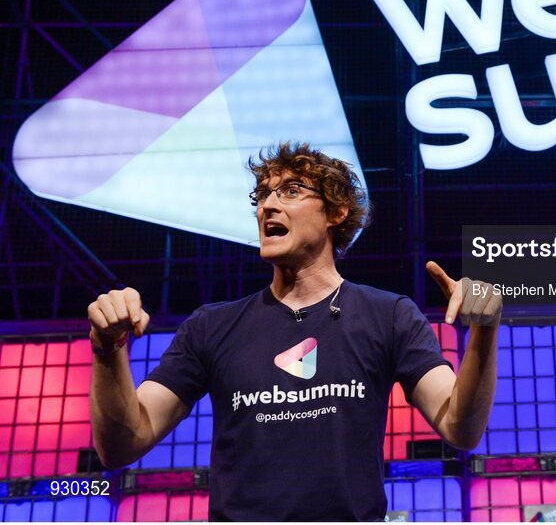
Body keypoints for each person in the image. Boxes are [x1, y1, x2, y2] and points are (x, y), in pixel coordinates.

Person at [87, 142, 502, 521]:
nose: (268, 205)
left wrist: (484, 332)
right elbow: (122, 444)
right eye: (263, 194)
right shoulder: (211, 326)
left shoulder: (389, 314)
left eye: (290, 191)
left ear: (336, 213)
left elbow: (460, 428)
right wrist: (108, 348)